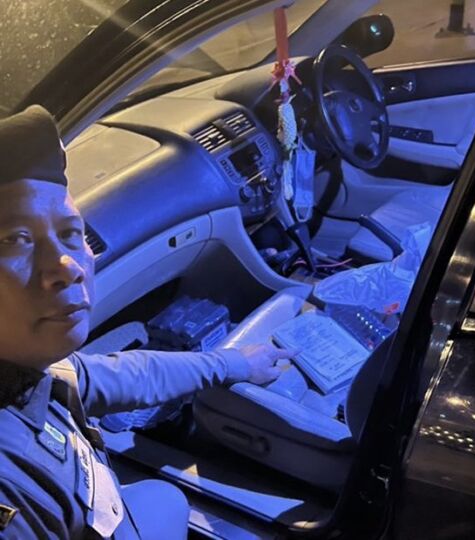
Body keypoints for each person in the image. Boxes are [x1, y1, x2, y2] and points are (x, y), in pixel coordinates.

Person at [0, 106, 296, 538]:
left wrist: (234, 364)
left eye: (70, 233)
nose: (68, 266)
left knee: (166, 498)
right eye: (13, 240)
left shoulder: (25, 368)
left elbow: (120, 374)